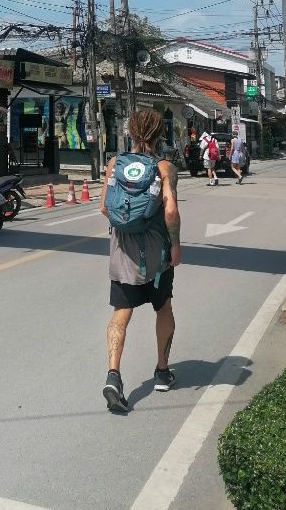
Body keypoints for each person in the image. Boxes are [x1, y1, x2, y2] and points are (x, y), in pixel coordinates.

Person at [100, 109, 182, 414]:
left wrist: (128, 225)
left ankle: (113, 376)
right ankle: (162, 372)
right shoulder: (164, 168)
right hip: (157, 255)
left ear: (130, 132)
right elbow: (170, 211)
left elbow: (104, 209)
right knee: (164, 307)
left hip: (123, 254)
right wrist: (175, 245)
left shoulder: (114, 164)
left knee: (120, 315)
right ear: (161, 133)